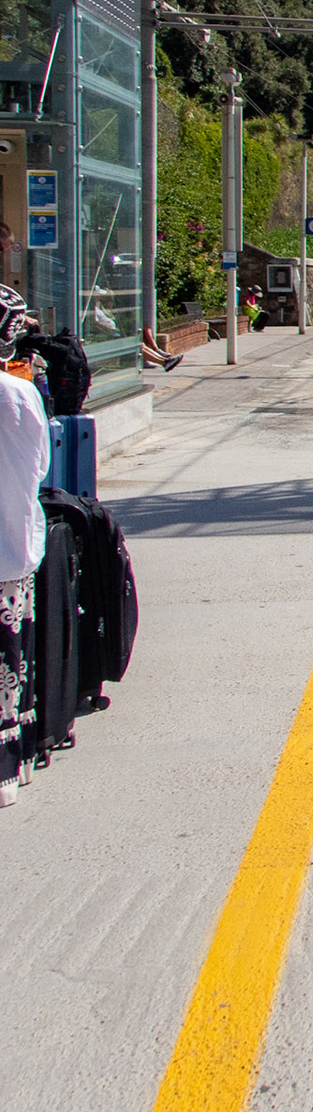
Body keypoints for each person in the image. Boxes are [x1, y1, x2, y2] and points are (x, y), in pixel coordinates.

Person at [0, 285, 49, 805]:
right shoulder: (17, 393)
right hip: (8, 542)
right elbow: (39, 465)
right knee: (6, 658)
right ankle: (8, 767)